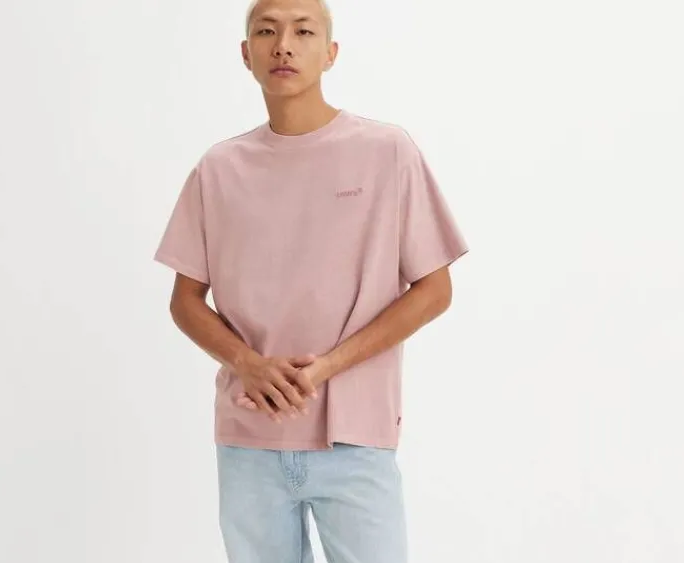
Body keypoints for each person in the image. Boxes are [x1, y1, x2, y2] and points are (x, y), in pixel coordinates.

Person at [153, 0, 469, 560]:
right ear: (245, 53)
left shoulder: (386, 152)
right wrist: (248, 364)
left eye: (303, 31)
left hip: (355, 437)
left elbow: (434, 290)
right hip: (249, 438)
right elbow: (185, 301)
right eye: (266, 31)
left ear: (330, 53)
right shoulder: (218, 168)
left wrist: (328, 366)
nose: (284, 45)